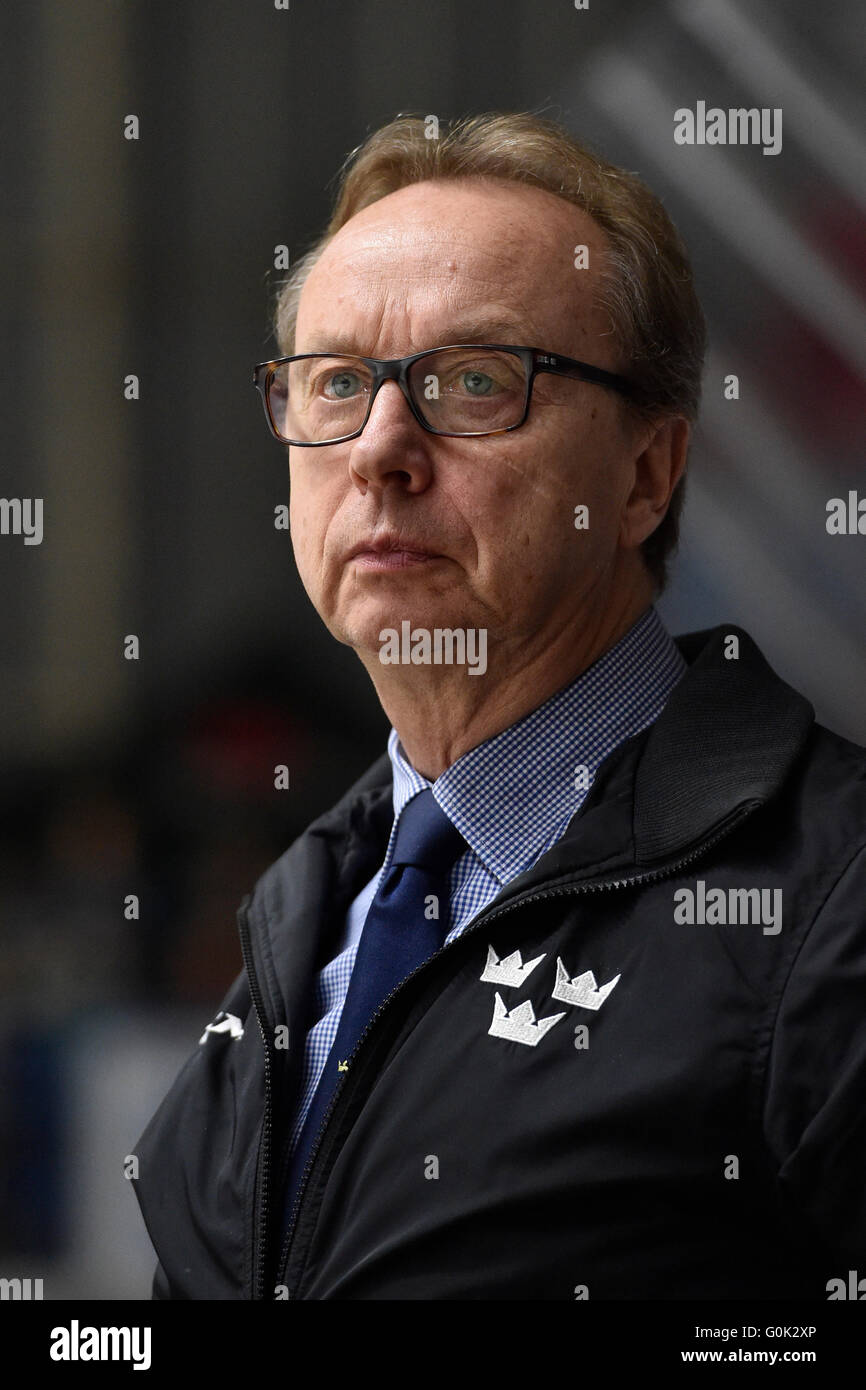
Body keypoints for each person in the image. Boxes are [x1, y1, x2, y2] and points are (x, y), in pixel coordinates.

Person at [131, 112, 866, 1300]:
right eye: (333, 384)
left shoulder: (828, 908)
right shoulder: (301, 919)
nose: (378, 450)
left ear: (644, 474)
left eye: (471, 381)